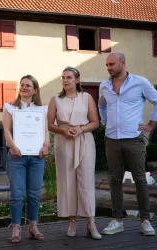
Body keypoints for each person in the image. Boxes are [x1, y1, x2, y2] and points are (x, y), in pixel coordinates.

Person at [98, 52, 157, 236]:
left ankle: (145, 221)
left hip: (134, 139)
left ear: (122, 63)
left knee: (140, 180)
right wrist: (104, 121)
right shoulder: (104, 86)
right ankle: (117, 220)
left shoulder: (140, 82)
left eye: (112, 64)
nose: (109, 68)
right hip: (112, 139)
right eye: (107, 65)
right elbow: (101, 105)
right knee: (115, 180)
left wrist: (151, 125)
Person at [47, 66, 101, 239]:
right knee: (67, 181)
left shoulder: (87, 98)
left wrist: (81, 129)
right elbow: (49, 124)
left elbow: (95, 122)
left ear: (77, 80)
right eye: (63, 77)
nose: (65, 80)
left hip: (84, 140)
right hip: (63, 142)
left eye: (69, 77)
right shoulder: (55, 99)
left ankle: (91, 223)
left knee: (86, 180)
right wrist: (63, 131)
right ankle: (72, 222)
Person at [2, 75, 50, 243]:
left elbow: (46, 131)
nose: (24, 87)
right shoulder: (10, 108)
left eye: (28, 85)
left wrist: (46, 145)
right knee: (16, 193)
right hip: (17, 157)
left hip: (37, 157)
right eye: (21, 85)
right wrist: (12, 146)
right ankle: (16, 228)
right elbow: (7, 130)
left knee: (34, 194)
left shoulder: (42, 110)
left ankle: (32, 226)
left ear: (35, 90)